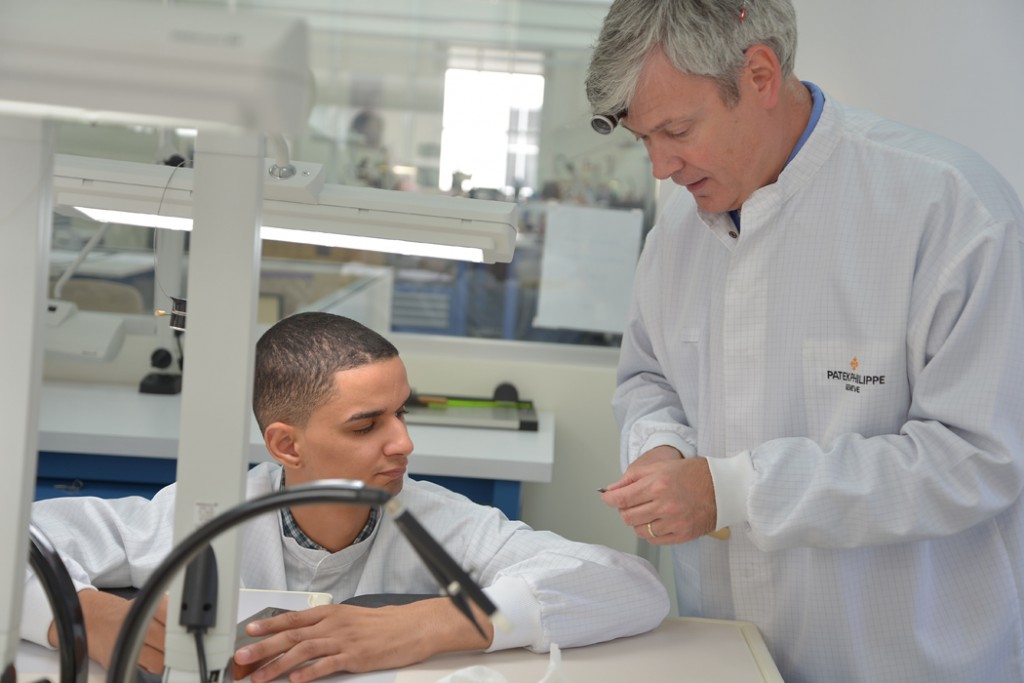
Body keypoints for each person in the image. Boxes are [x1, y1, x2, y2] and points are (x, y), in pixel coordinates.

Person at [586, 1, 1024, 682]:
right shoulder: (677, 230)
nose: (659, 167)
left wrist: (734, 490)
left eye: (676, 129)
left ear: (759, 73)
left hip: (909, 665)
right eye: (643, 138)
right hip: (726, 655)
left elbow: (976, 459)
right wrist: (661, 449)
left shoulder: (949, 209)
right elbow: (650, 378)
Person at [22, 312, 669, 681]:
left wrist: (429, 624)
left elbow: (632, 584)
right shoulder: (201, 516)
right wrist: (80, 614)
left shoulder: (437, 519)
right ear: (286, 445)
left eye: (401, 413)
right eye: (367, 424)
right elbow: (16, 540)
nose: (403, 444)